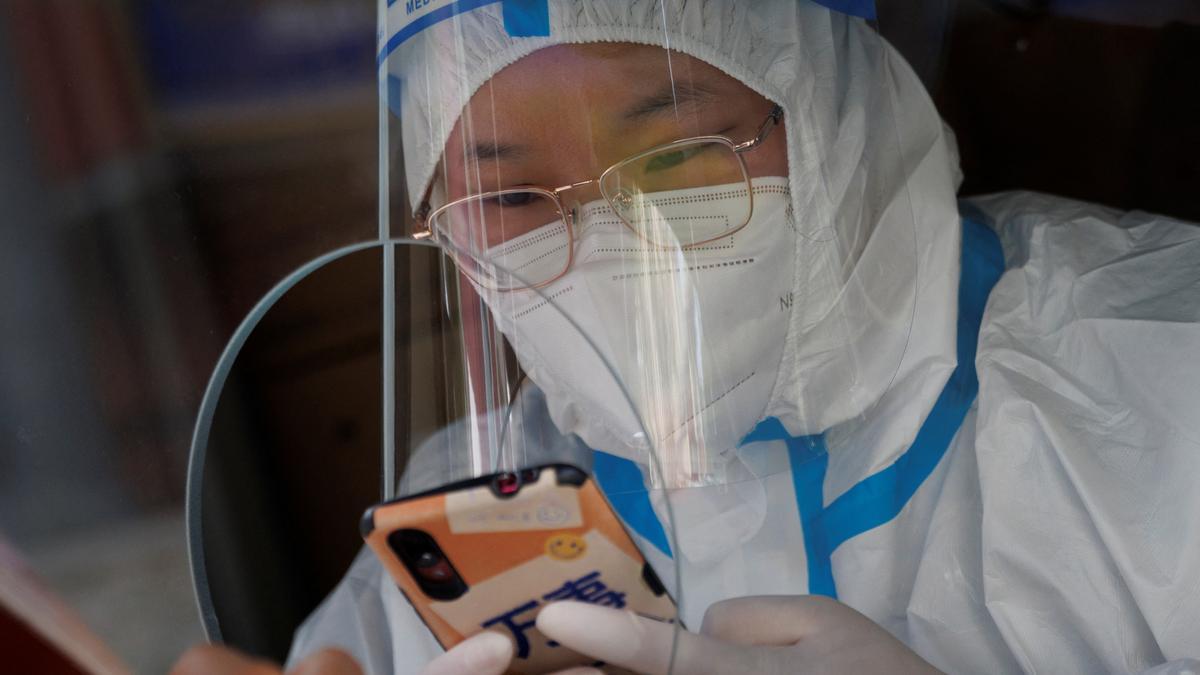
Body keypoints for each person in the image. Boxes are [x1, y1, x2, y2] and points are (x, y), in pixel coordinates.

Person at [177, 1, 1200, 673]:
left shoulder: (1151, 373)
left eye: (676, 154)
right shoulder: (479, 515)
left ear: (844, 109)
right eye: (512, 194)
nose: (605, 239)